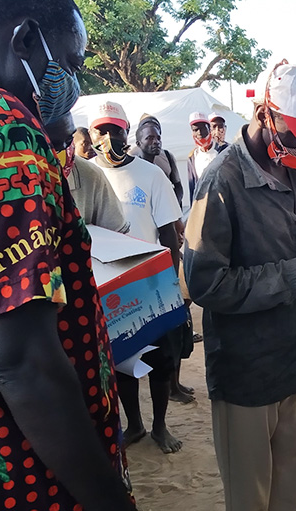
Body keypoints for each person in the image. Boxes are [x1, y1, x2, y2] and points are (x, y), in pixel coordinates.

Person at [0, 1, 136, 510]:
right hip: (15, 478)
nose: (72, 83)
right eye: (72, 63)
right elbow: (21, 361)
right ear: (26, 41)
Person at [184, 61, 296, 511]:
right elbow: (206, 282)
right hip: (244, 371)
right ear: (265, 115)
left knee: (287, 489)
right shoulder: (222, 182)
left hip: (290, 361)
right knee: (251, 496)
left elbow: (293, 246)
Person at [89, 101, 184, 454]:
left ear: (127, 133)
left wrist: (169, 287)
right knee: (121, 361)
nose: (109, 137)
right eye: (102, 130)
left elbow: (170, 237)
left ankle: (159, 426)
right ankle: (135, 424)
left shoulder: (150, 175)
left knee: (159, 360)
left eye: (115, 130)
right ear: (93, 134)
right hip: (107, 286)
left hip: (149, 283)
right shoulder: (84, 176)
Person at [132, 114, 197, 404]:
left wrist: (177, 223)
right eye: (149, 137)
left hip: (168, 250)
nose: (155, 141)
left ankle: (174, 384)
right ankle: (164, 385)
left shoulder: (166, 159)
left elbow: (176, 187)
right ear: (138, 141)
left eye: (158, 135)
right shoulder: (132, 169)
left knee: (178, 319)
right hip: (144, 261)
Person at [45, 114, 130, 233]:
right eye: (51, 143)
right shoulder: (12, 176)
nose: (63, 148)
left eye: (69, 140)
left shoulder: (90, 175)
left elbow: (119, 240)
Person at [185, 112, 227, 221]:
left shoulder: (225, 152)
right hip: (203, 214)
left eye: (203, 128)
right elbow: (192, 188)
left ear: (209, 129)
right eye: (195, 129)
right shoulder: (192, 157)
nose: (200, 133)